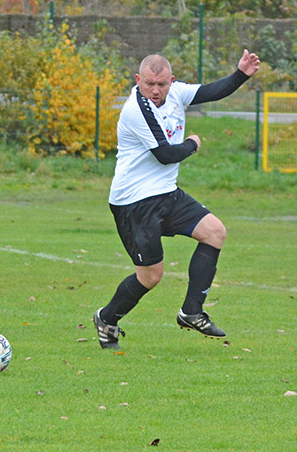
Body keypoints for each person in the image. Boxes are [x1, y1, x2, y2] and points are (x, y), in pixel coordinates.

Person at [93, 50, 260, 349]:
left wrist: (241, 75)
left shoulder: (176, 93)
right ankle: (107, 318)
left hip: (167, 194)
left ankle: (191, 311)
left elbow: (210, 91)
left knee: (215, 232)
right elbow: (166, 155)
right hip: (135, 202)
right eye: (148, 84)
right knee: (151, 276)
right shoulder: (136, 109)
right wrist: (193, 144)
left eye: (161, 84)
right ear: (137, 81)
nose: (155, 91)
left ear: (171, 81)